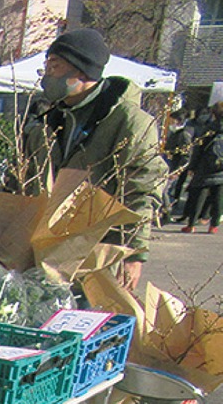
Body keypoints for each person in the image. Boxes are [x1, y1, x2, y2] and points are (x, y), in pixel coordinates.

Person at [17, 28, 167, 291]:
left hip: (99, 251)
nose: (46, 75)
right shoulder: (50, 120)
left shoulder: (129, 122)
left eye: (55, 66)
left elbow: (141, 190)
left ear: (82, 72)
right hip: (47, 249)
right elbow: (28, 181)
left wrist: (134, 253)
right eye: (47, 66)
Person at [181, 97, 223, 234]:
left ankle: (191, 225)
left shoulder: (209, 129)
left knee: (198, 196)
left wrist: (192, 166)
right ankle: (213, 226)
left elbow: (198, 149)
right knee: (218, 199)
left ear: (214, 114)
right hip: (221, 170)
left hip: (205, 168)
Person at [163, 108, 195, 218]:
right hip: (169, 164)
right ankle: (166, 211)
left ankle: (167, 212)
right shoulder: (175, 133)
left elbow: (186, 155)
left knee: (164, 190)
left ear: (178, 121)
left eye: (172, 120)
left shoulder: (183, 135)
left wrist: (178, 171)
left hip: (174, 166)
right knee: (165, 190)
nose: (170, 123)